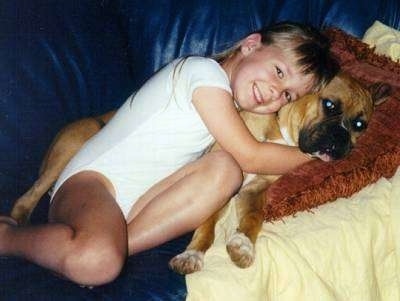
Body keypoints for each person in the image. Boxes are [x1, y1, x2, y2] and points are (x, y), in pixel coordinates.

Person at [0, 22, 338, 286]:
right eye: (279, 72)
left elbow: (244, 163)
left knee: (225, 169)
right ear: (251, 45)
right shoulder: (203, 74)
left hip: (135, 211)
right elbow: (252, 155)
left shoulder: (233, 106)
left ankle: (96, 253)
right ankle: (10, 237)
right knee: (99, 260)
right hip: (93, 184)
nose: (275, 93)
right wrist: (315, 151)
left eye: (289, 95)